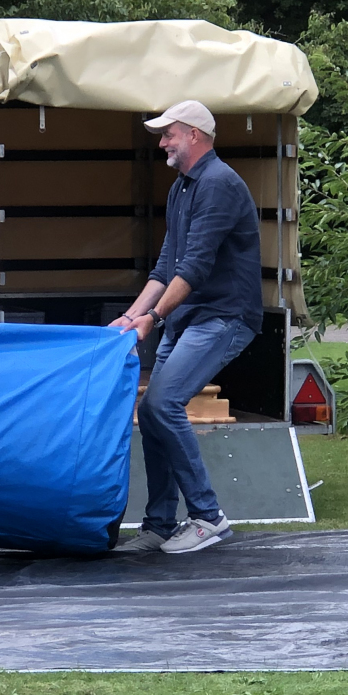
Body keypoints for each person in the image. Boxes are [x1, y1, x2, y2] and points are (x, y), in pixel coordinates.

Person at [110, 100, 263, 555]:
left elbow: (194, 267)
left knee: (162, 404)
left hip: (224, 316)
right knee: (152, 414)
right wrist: (131, 316)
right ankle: (159, 524)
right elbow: (166, 266)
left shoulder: (218, 184)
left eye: (168, 134)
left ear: (194, 134)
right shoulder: (182, 187)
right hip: (189, 316)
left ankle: (208, 517)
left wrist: (153, 318)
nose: (162, 143)